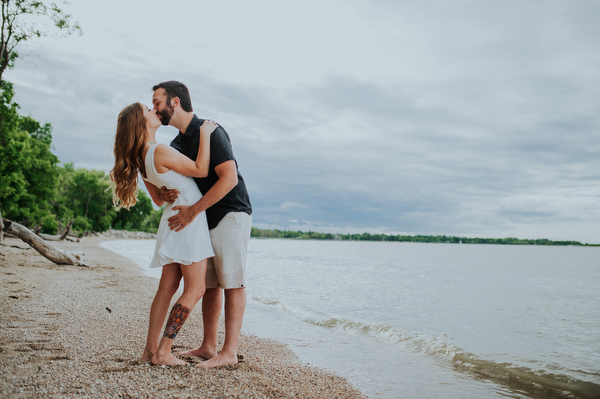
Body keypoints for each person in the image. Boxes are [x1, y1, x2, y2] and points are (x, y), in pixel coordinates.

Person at [151, 81, 252, 368]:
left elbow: (229, 178)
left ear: (175, 102)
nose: (155, 108)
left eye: (157, 102)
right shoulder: (176, 144)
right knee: (210, 285)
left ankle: (229, 352)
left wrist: (193, 211)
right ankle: (209, 346)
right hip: (201, 217)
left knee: (233, 282)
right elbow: (172, 185)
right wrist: (163, 193)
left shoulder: (211, 130)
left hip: (230, 213)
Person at [110, 102, 218, 366]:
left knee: (166, 288)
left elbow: (158, 200)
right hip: (186, 223)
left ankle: (150, 351)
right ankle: (164, 351)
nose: (154, 112)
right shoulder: (158, 150)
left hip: (172, 219)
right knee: (196, 288)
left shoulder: (141, 157)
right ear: (140, 123)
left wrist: (166, 191)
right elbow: (201, 170)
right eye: (148, 111)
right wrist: (205, 134)